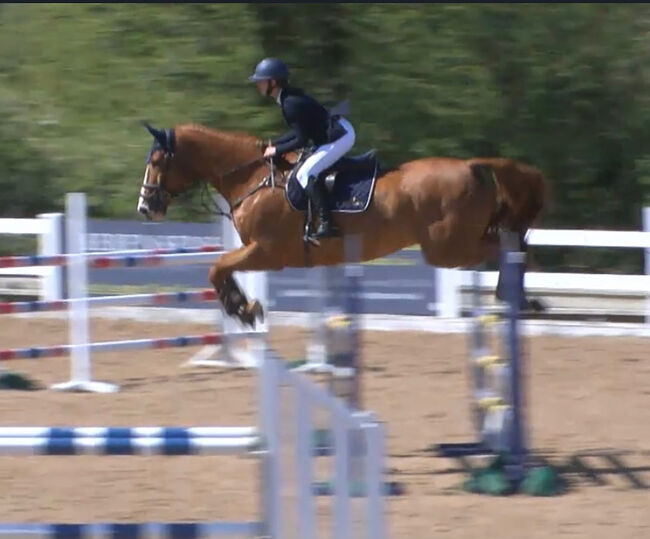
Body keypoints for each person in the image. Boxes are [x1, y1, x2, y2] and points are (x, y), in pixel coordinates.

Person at [248, 57, 356, 239]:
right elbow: (298, 131)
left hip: (340, 136)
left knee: (305, 174)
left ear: (273, 82)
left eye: (261, 80)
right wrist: (275, 144)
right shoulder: (287, 99)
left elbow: (301, 140)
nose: (258, 84)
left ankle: (327, 223)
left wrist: (277, 150)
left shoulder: (290, 104)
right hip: (332, 132)